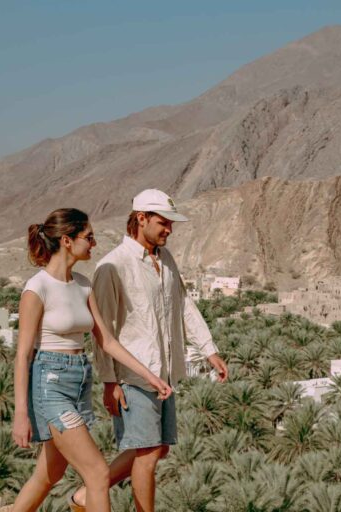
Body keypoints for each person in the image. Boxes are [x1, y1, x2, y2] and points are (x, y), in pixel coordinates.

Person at [70, 189, 229, 512]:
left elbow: (183, 305)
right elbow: (103, 331)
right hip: (133, 374)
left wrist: (208, 350)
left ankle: (85, 496)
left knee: (159, 449)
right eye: (163, 223)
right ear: (140, 219)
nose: (169, 230)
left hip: (164, 372)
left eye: (171, 224)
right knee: (147, 454)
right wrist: (110, 381)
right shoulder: (113, 265)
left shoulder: (164, 259)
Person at [11, 208, 173, 512]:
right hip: (50, 384)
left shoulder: (83, 284)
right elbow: (23, 355)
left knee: (50, 473)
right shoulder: (37, 288)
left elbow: (108, 341)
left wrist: (152, 378)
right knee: (97, 473)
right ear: (67, 241)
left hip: (79, 381)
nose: (94, 243)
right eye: (89, 236)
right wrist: (21, 413)